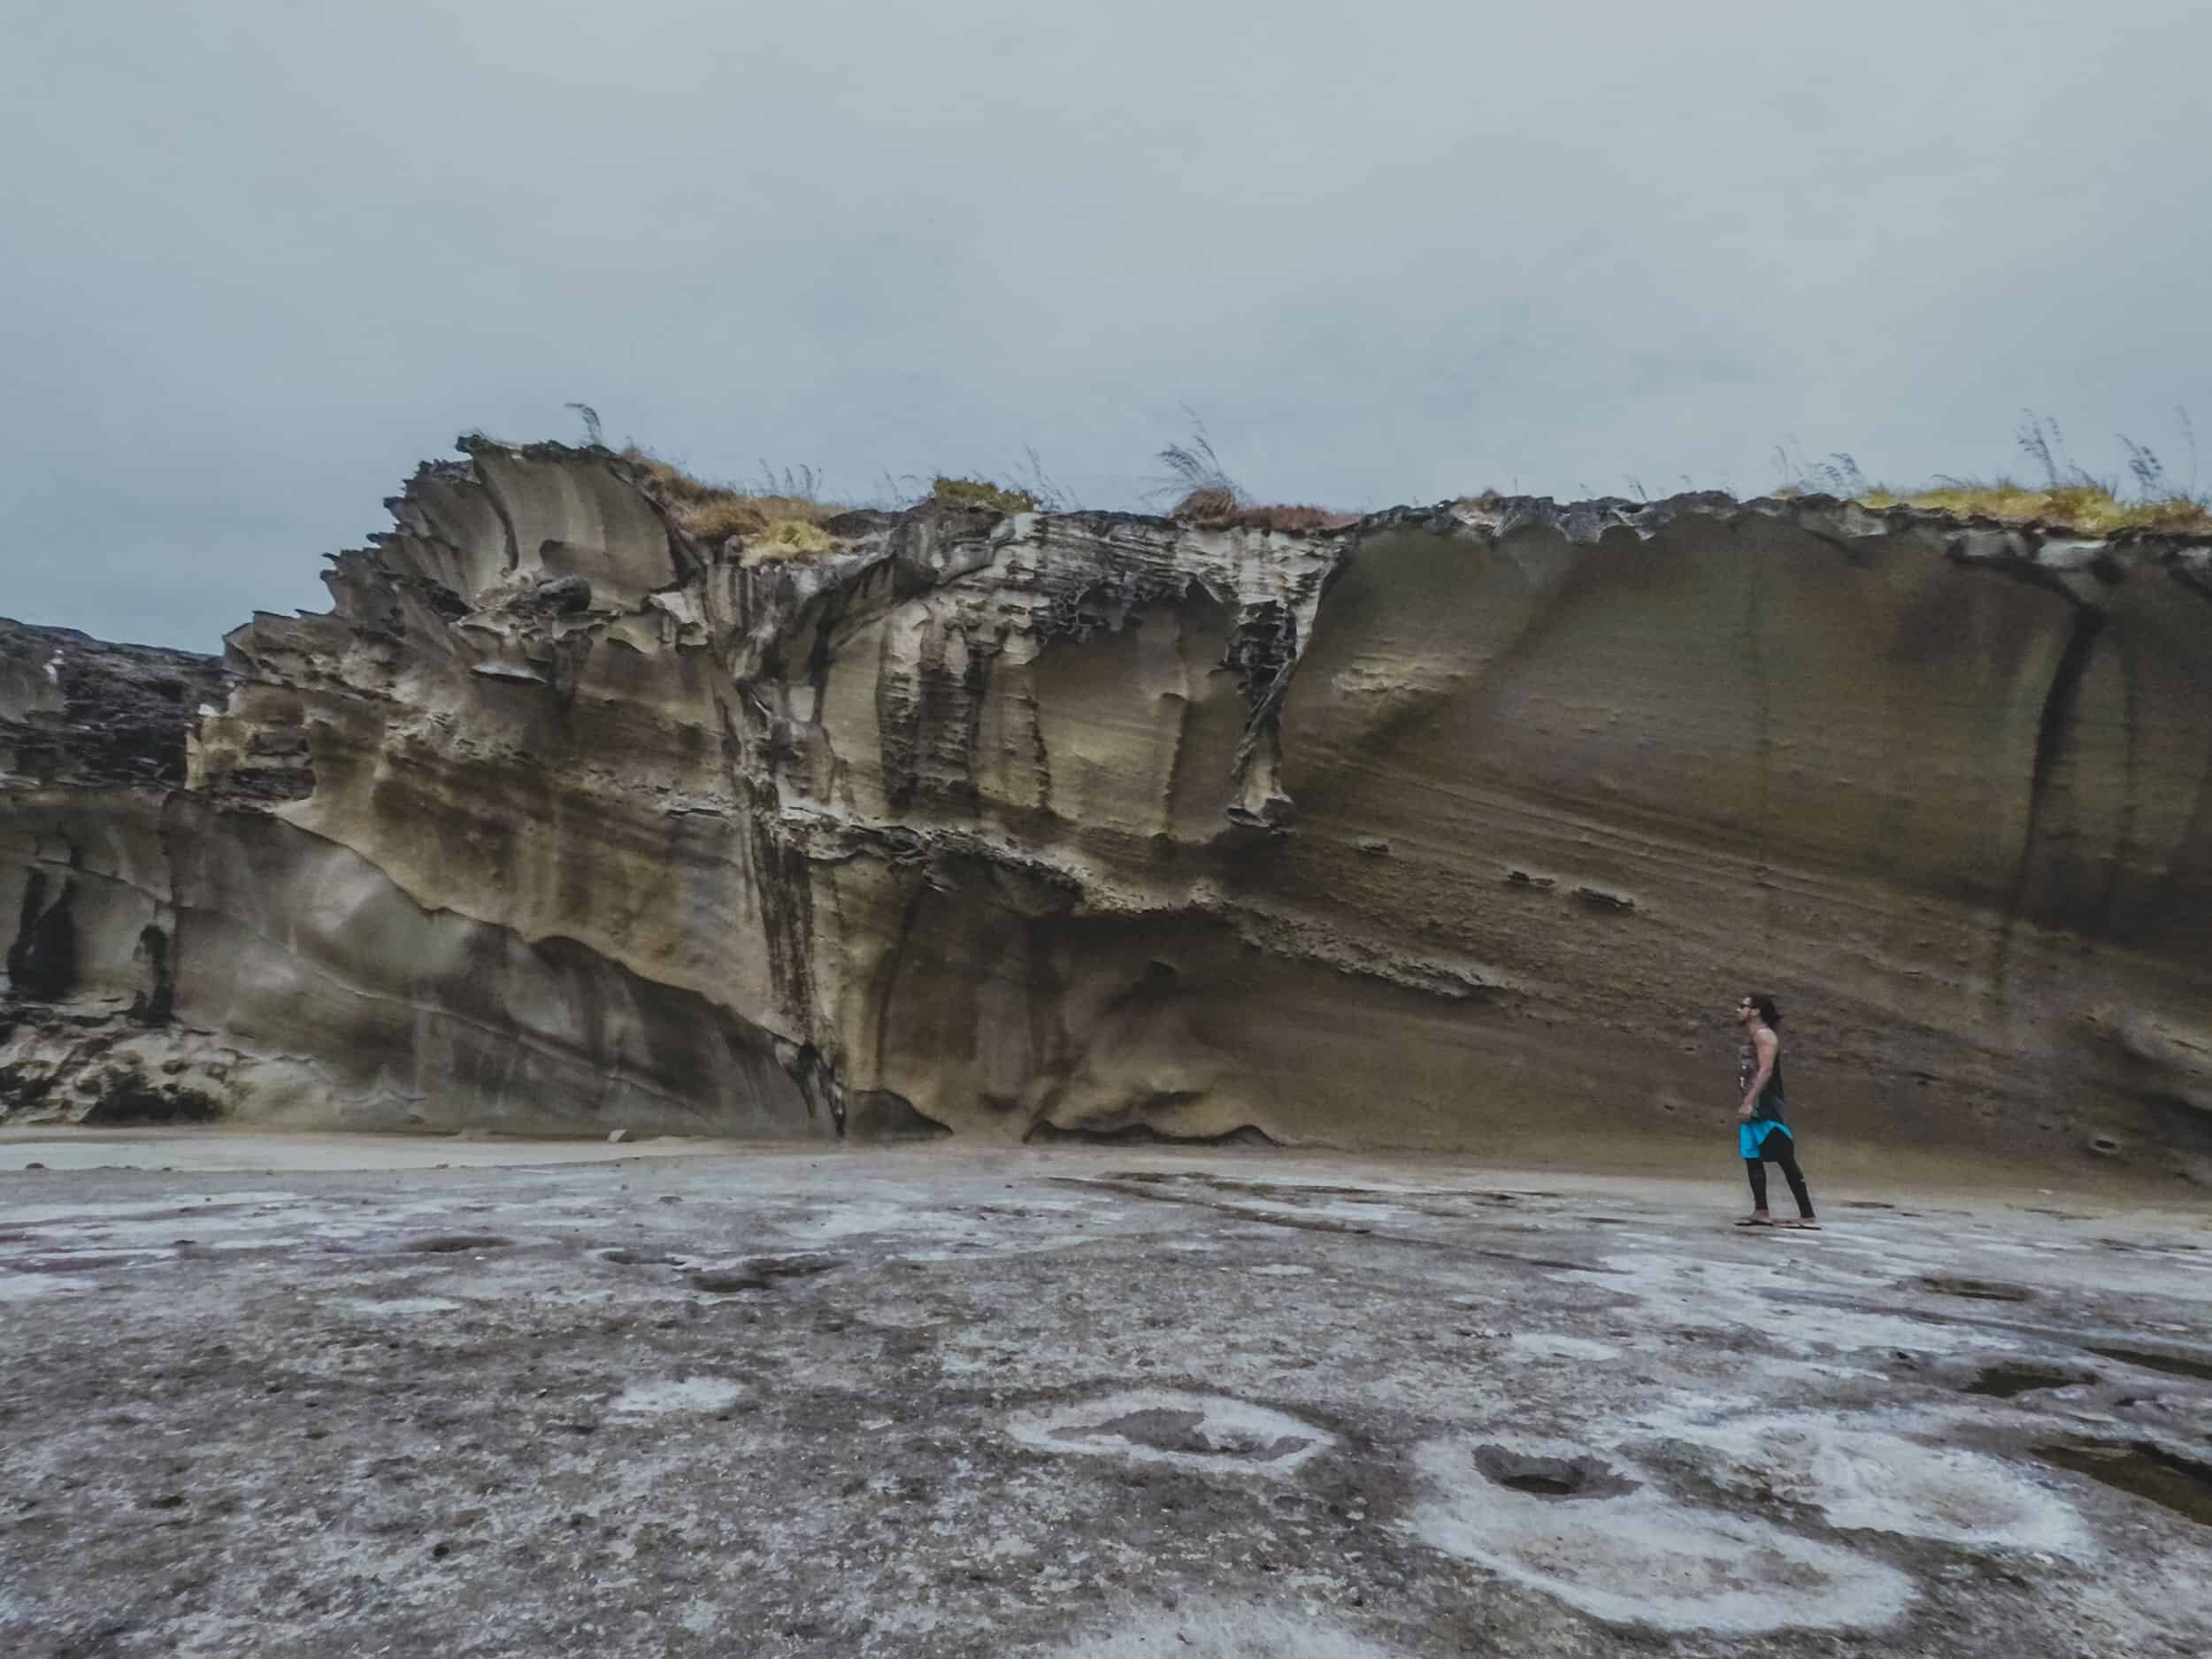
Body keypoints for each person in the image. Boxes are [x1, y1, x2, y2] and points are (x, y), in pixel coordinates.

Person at [1733, 993, 1818, 1230]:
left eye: (1743, 1006)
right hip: (1754, 1106)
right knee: (1752, 1156)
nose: (1738, 1010)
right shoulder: (1754, 1037)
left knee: (1784, 1157)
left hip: (1766, 1105)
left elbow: (1766, 1071)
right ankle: (1761, 1211)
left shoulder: (1765, 1035)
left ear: (1756, 1011)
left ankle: (1808, 1216)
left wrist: (1749, 1101)